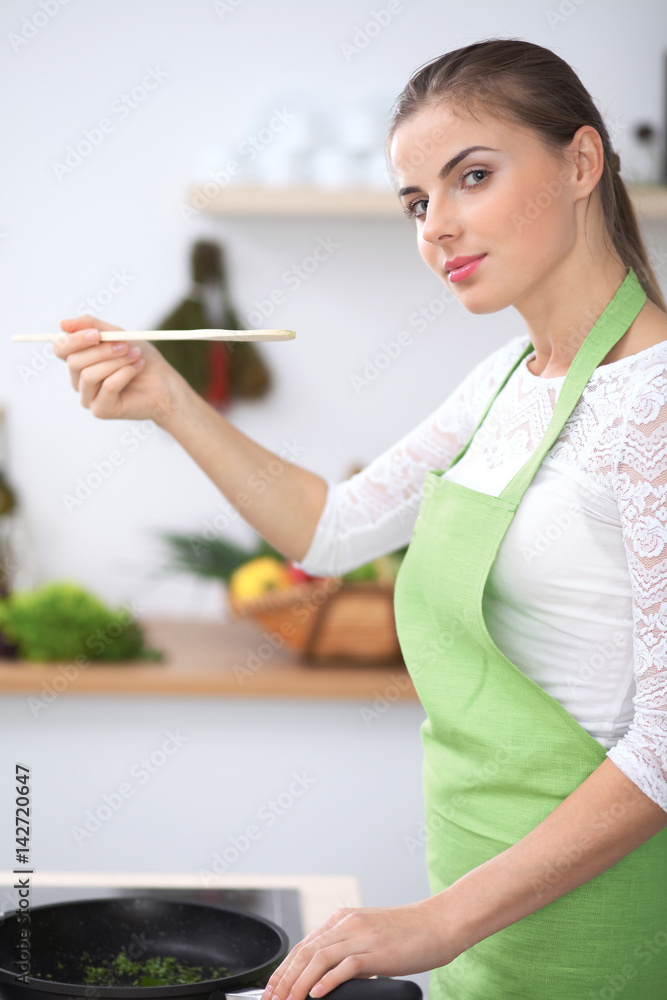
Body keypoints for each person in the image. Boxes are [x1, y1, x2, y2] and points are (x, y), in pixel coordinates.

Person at [53, 37, 667, 1000]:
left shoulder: (653, 401)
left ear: (581, 161)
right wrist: (168, 399)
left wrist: (439, 919)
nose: (437, 227)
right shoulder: (504, 382)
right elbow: (332, 528)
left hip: (597, 933)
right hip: (480, 917)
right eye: (416, 202)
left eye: (472, 176)